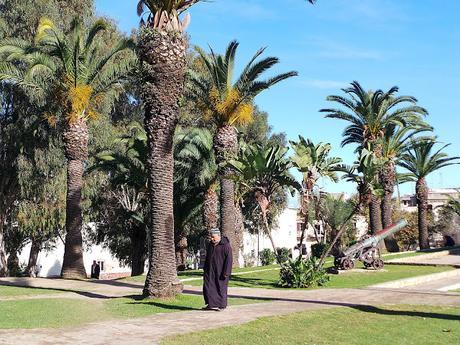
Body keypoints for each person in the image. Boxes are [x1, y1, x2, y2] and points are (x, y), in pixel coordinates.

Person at [202, 229, 232, 311]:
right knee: (208, 287)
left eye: (213, 237)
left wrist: (227, 272)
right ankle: (210, 304)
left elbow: (229, 260)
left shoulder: (226, 245)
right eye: (211, 237)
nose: (212, 239)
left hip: (221, 272)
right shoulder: (210, 245)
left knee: (220, 288)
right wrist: (205, 268)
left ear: (218, 236)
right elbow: (207, 257)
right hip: (210, 271)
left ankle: (222, 305)